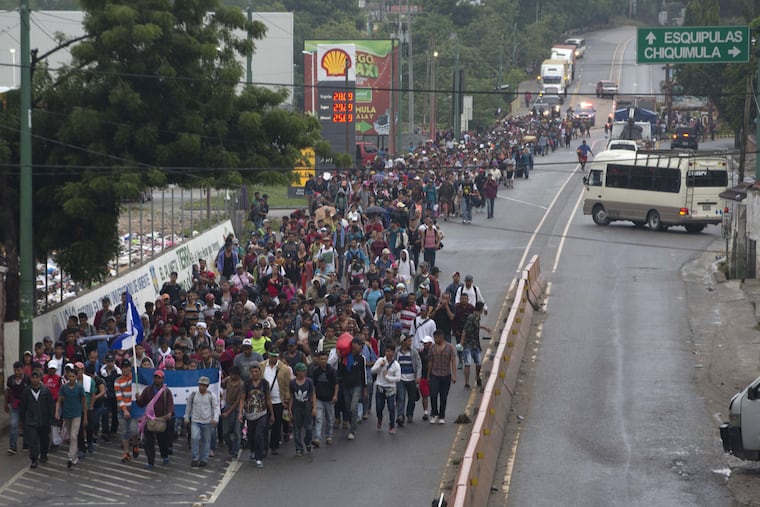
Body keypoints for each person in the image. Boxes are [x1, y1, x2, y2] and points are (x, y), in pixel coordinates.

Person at [136, 370, 174, 470]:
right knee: (148, 441)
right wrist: (138, 399)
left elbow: (170, 404)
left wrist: (169, 413)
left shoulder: (166, 391)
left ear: (163, 379)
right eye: (156, 377)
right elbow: (141, 403)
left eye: (159, 377)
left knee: (163, 441)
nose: (157, 379)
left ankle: (165, 455)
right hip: (149, 420)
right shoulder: (148, 390)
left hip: (161, 419)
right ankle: (150, 461)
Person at [18, 370, 55, 468]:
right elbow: (23, 407)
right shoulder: (26, 391)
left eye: (37, 378)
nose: (35, 380)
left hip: (44, 420)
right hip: (31, 421)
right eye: (33, 378)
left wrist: (52, 418)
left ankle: (43, 454)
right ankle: (34, 459)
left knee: (44, 439)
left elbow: (51, 405)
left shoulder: (45, 391)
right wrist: (22, 421)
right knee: (33, 441)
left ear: (40, 378)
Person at [56, 364, 87, 467]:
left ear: (76, 377)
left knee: (74, 435)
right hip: (67, 414)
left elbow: (83, 402)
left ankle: (71, 456)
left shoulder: (79, 388)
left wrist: (85, 416)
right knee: (71, 435)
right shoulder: (64, 387)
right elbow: (59, 400)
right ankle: (75, 453)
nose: (71, 378)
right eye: (70, 376)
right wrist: (57, 412)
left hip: (77, 414)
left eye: (73, 376)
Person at [185, 376, 220, 468]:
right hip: (195, 420)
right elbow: (188, 406)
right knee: (194, 438)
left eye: (204, 385)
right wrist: (186, 417)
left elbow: (215, 407)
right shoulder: (193, 395)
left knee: (206, 441)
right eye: (200, 385)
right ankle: (195, 458)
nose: (202, 387)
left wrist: (215, 418)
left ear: (207, 386)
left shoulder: (211, 396)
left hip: (207, 421)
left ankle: (204, 459)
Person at [336, 338, 366, 441]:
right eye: (359, 344)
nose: (360, 347)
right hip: (346, 385)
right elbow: (340, 372)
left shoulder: (361, 358)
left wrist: (364, 387)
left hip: (357, 386)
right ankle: (350, 422)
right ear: (353, 345)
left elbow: (363, 374)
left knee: (354, 407)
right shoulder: (346, 358)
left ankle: (353, 430)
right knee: (348, 407)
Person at [244, 362, 273, 468]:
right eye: (253, 372)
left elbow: (268, 398)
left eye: (257, 371)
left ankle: (259, 458)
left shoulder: (265, 384)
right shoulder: (247, 384)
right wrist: (240, 413)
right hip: (250, 413)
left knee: (259, 434)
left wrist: (272, 414)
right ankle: (252, 449)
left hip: (262, 413)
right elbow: (243, 398)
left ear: (260, 372)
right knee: (251, 434)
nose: (255, 373)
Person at [307, 351, 338, 447]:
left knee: (329, 419)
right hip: (319, 399)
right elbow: (313, 386)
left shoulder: (331, 371)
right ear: (319, 360)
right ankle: (317, 438)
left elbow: (336, 384)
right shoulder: (316, 371)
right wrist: (313, 399)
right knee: (318, 419)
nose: (323, 361)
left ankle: (328, 436)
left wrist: (335, 395)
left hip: (329, 399)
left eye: (325, 359)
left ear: (327, 359)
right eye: (321, 359)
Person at [427, 330, 457, 424]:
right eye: (434, 338)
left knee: (443, 397)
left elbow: (453, 361)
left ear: (441, 337)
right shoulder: (432, 347)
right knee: (433, 394)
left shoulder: (450, 347)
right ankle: (434, 413)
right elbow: (430, 361)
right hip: (435, 375)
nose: (435, 340)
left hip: (446, 375)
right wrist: (428, 375)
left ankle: (441, 416)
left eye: (437, 338)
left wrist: (454, 375)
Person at [371, 342, 401, 434]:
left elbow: (398, 378)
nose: (389, 353)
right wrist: (380, 366)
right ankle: (380, 419)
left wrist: (387, 377)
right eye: (387, 351)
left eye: (391, 351)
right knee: (379, 408)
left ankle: (391, 426)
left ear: (393, 352)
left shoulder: (396, 364)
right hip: (380, 387)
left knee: (391, 408)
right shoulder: (380, 360)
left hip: (390, 388)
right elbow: (372, 371)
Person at [460, 302, 491, 390]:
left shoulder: (477, 318)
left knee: (478, 363)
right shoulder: (472, 317)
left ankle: (477, 377)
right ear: (481, 309)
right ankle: (466, 383)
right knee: (468, 364)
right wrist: (462, 343)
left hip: (476, 344)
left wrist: (485, 328)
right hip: (468, 344)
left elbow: (476, 327)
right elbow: (465, 330)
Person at [114, 358, 140, 464]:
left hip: (134, 409)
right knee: (124, 432)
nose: (125, 370)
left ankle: (135, 444)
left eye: (127, 367)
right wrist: (124, 410)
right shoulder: (117, 381)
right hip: (122, 410)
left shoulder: (135, 379)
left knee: (134, 430)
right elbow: (119, 397)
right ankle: (126, 452)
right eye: (123, 368)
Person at [288, 363, 316, 456]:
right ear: (297, 372)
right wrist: (289, 409)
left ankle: (307, 441)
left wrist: (314, 407)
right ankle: (299, 448)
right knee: (297, 429)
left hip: (307, 406)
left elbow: (312, 395)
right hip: (297, 407)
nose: (304, 373)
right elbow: (291, 396)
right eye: (302, 371)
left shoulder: (309, 382)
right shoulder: (292, 383)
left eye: (305, 371)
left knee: (309, 428)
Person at [394, 334, 422, 426]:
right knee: (401, 398)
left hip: (412, 379)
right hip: (400, 379)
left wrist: (418, 376)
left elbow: (418, 364)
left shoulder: (413, 352)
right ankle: (400, 416)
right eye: (409, 341)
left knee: (412, 398)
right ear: (403, 342)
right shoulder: (397, 351)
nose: (410, 343)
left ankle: (409, 414)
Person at [5, 361, 29, 455]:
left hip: (25, 405)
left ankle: (26, 444)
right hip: (14, 404)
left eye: (18, 370)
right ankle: (13, 446)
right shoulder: (10, 379)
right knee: (14, 424)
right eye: (15, 370)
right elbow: (7, 391)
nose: (17, 372)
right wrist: (6, 404)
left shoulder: (27, 379)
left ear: (22, 370)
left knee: (26, 425)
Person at [221, 366, 245, 459]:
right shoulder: (227, 380)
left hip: (237, 408)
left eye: (233, 375)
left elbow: (238, 401)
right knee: (225, 432)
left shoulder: (242, 385)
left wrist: (228, 412)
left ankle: (235, 452)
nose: (231, 376)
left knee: (237, 432)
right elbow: (220, 385)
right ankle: (231, 447)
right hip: (227, 405)